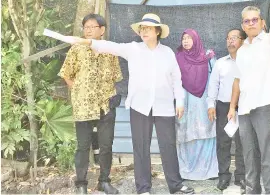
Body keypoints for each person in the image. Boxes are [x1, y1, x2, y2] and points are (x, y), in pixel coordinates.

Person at [68, 13, 194, 194]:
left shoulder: (167, 53)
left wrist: (179, 101)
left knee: (168, 145)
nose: (144, 31)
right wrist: (87, 42)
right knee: (141, 147)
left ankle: (175, 184)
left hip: (164, 106)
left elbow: (176, 79)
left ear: (158, 31)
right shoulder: (133, 48)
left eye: (148, 28)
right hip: (140, 106)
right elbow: (110, 46)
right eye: (142, 28)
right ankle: (143, 188)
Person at [227, 6, 270, 194]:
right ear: (243, 25)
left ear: (262, 22)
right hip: (245, 109)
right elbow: (237, 81)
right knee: (249, 156)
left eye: (254, 19)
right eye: (247, 21)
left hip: (266, 106)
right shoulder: (241, 50)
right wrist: (233, 106)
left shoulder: (269, 40)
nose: (251, 23)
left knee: (268, 155)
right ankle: (252, 191)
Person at [58, 14, 122, 194]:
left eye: (93, 26)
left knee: (106, 145)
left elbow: (116, 76)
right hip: (83, 106)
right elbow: (66, 74)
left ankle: (104, 181)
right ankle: (81, 184)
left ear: (102, 30)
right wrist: (78, 90)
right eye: (86, 26)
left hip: (105, 105)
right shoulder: (76, 49)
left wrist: (112, 95)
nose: (88, 29)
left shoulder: (110, 50)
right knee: (83, 146)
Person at [175, 29, 218, 180]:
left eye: (189, 38)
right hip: (185, 102)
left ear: (196, 39)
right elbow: (175, 81)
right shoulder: (178, 58)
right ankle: (187, 170)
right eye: (183, 38)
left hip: (204, 101)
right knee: (186, 132)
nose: (186, 41)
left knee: (206, 131)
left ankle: (210, 170)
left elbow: (215, 79)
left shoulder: (207, 57)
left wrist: (211, 102)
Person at [207, 28, 246, 190]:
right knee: (223, 143)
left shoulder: (247, 61)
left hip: (244, 106)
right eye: (228, 38)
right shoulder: (220, 63)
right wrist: (211, 105)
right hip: (223, 106)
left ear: (242, 41)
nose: (230, 41)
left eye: (234, 38)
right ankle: (223, 176)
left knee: (242, 142)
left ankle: (241, 176)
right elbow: (213, 85)